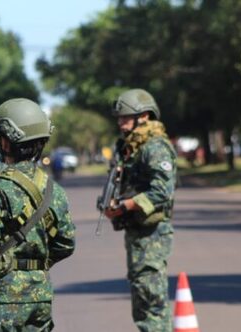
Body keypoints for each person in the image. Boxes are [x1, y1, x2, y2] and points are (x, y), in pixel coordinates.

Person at [0, 98, 76, 332]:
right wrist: (34, 268)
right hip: (39, 297)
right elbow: (66, 243)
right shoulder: (53, 189)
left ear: (6, 140)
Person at [103, 89, 177, 331]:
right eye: (119, 118)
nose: (121, 122)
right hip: (137, 232)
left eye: (126, 117)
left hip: (152, 234)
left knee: (151, 297)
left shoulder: (155, 147)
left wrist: (126, 205)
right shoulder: (130, 147)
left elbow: (162, 192)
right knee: (142, 296)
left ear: (144, 116)